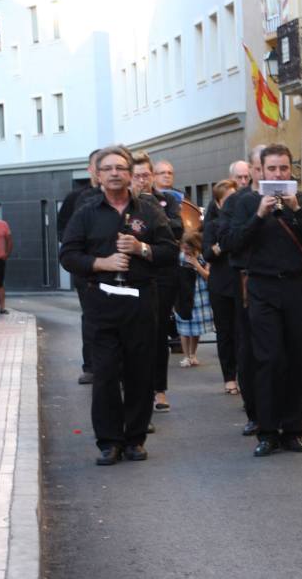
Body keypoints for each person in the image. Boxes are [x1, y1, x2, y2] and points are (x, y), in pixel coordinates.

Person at [59, 145, 178, 465]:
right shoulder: (86, 213)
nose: (115, 173)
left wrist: (142, 249)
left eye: (120, 168)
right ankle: (109, 442)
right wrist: (101, 263)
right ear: (97, 175)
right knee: (106, 373)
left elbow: (169, 252)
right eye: (108, 168)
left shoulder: (149, 211)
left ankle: (135, 439)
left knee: (140, 373)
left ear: (130, 174)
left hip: (141, 301)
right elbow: (68, 255)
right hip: (102, 302)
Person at [225, 144, 302, 457]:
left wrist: (296, 211)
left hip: (298, 286)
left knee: (299, 358)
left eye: (284, 168)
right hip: (263, 286)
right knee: (268, 359)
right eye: (272, 168)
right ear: (261, 171)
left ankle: (293, 431)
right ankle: (267, 431)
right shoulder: (245, 202)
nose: (278, 174)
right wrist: (259, 215)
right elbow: (233, 243)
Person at [131, 151, 184, 414]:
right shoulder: (126, 203)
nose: (142, 180)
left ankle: (159, 389)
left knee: (159, 331)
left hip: (163, 273)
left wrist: (152, 209)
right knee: (135, 333)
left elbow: (178, 228)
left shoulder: (167, 199)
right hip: (136, 274)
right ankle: (136, 388)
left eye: (146, 175)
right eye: (137, 176)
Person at [218, 145, 265, 436]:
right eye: (261, 168)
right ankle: (255, 412)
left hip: (284, 284)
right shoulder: (237, 202)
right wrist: (257, 216)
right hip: (247, 283)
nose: (267, 173)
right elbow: (227, 241)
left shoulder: (294, 199)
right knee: (249, 349)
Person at [57, 150, 103, 384]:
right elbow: (63, 232)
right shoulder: (76, 198)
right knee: (92, 316)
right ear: (90, 169)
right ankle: (91, 366)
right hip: (86, 270)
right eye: (100, 165)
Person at [203, 179, 240, 395]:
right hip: (220, 284)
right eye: (227, 200)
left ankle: (245, 374)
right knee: (225, 333)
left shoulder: (243, 222)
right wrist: (221, 245)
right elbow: (207, 253)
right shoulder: (212, 225)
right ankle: (230, 377)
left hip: (242, 284)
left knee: (243, 332)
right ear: (218, 204)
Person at [174, 231, 213, 367]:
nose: (185, 251)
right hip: (184, 295)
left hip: (199, 295)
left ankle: (193, 354)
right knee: (184, 327)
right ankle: (186, 356)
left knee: (196, 327)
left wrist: (196, 264)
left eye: (188, 248)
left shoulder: (203, 257)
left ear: (195, 246)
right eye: (183, 247)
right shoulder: (179, 258)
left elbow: (208, 277)